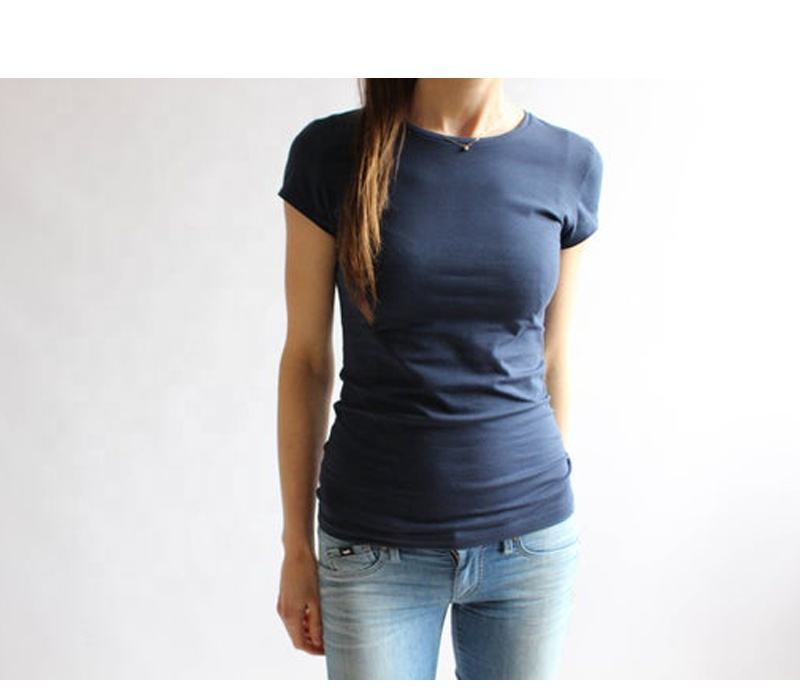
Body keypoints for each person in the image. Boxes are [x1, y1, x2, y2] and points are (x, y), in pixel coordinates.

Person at [275, 78, 604, 680]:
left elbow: (553, 355)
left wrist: (529, 490)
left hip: (529, 545)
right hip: (374, 549)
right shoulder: (332, 152)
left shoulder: (569, 162)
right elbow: (306, 359)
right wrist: (296, 546)